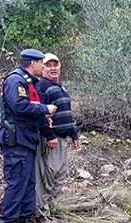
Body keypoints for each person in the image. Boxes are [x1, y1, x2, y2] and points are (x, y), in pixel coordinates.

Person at [0, 49, 57, 223]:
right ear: (33, 63)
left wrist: (44, 119)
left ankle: (25, 217)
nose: (43, 66)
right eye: (41, 63)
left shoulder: (29, 82)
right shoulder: (16, 81)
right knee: (16, 181)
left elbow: (30, 110)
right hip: (16, 139)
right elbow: (19, 106)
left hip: (27, 138)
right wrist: (44, 108)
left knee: (29, 181)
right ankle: (6, 221)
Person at [35, 53, 80, 214]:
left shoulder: (61, 86)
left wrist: (74, 134)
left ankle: (53, 208)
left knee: (60, 173)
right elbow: (40, 113)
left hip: (63, 137)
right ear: (42, 68)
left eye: (56, 65)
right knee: (48, 174)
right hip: (51, 139)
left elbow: (66, 112)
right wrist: (49, 135)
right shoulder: (41, 87)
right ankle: (41, 211)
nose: (53, 68)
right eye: (49, 65)